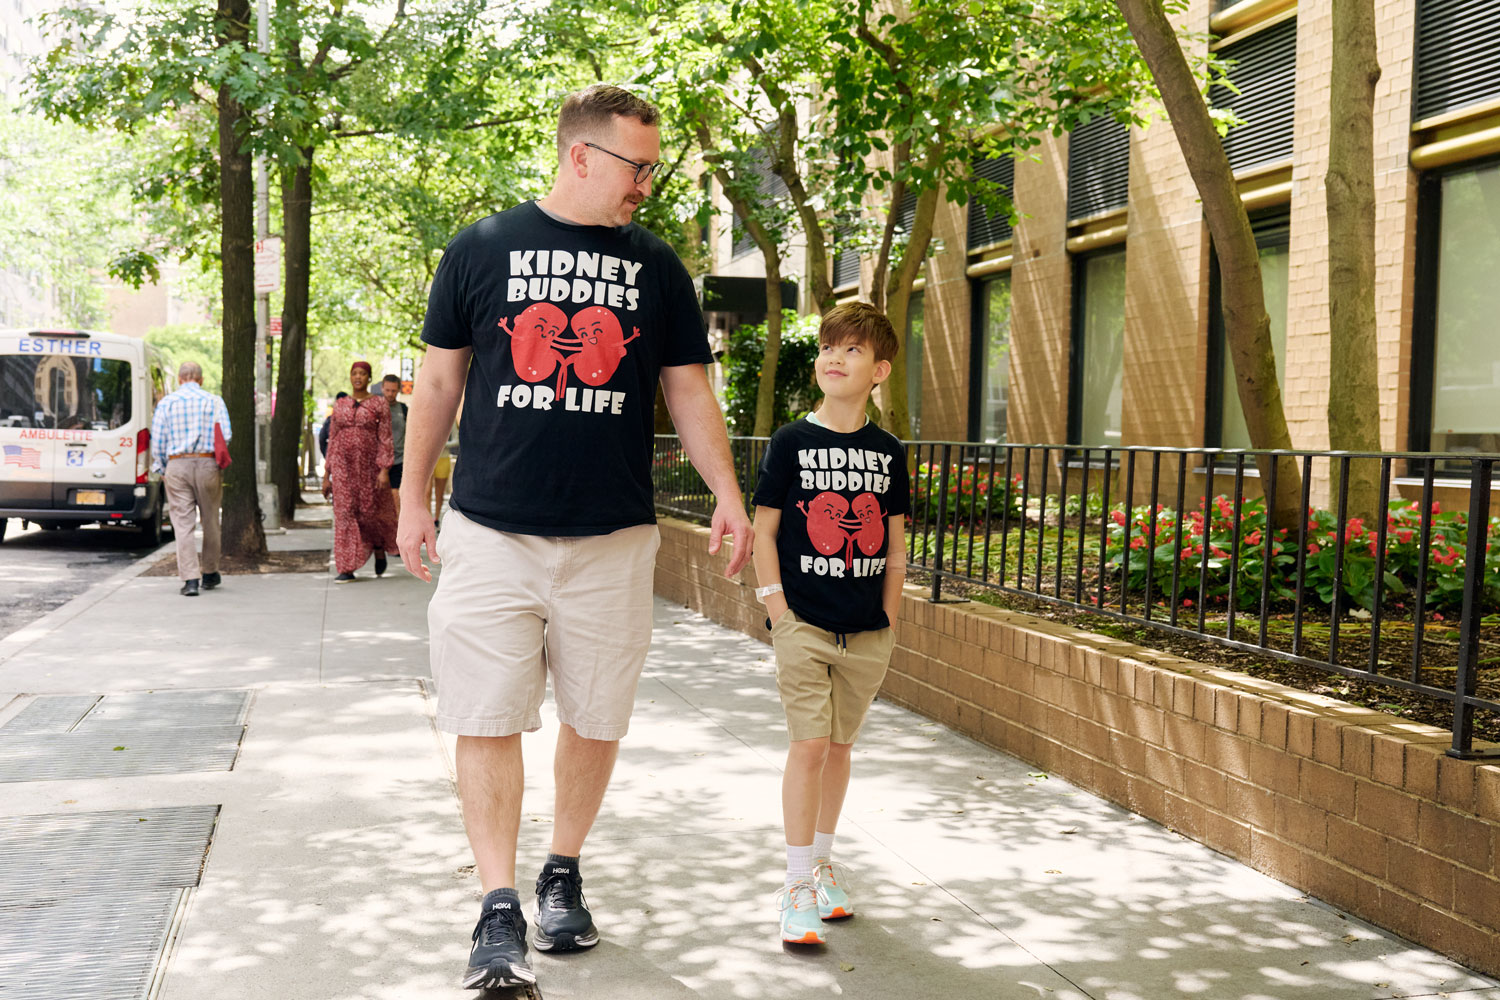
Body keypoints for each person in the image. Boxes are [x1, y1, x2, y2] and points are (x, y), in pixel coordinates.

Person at [395, 84, 753, 991]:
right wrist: (409, 500)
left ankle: (562, 872)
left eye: (654, 167)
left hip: (613, 538)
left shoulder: (658, 267)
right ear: (581, 155)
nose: (648, 184)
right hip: (489, 533)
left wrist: (728, 493)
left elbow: (687, 392)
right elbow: (437, 386)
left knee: (595, 717)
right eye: (638, 165)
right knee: (483, 716)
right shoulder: (481, 248)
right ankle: (498, 904)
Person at [749, 302, 909, 945]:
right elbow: (766, 530)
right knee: (809, 745)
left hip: (867, 629)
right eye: (827, 347)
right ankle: (794, 884)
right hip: (804, 624)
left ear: (880, 371)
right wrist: (778, 611)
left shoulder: (889, 452)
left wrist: (890, 618)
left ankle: (821, 864)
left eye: (851, 350)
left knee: (840, 748)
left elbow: (895, 545)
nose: (834, 358)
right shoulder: (791, 441)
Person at [149, 361, 231, 597]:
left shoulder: (167, 403)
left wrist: (163, 467)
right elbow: (226, 435)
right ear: (201, 379)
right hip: (207, 463)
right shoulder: (214, 401)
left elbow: (159, 440)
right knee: (211, 520)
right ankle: (210, 573)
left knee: (183, 525)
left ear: (179, 379)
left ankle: (190, 579)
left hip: (177, 463)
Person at [323, 362, 397, 583]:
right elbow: (332, 438)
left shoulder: (379, 404)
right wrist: (327, 474)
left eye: (362, 374)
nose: (358, 377)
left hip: (368, 467)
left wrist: (384, 469)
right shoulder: (340, 404)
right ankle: (346, 567)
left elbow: (385, 438)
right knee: (344, 513)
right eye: (354, 374)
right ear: (350, 377)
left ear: (368, 377)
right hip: (342, 466)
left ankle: (378, 547)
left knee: (368, 513)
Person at [381, 374, 408, 515]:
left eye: (393, 391)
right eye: (387, 390)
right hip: (379, 462)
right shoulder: (375, 408)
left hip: (399, 460)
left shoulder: (403, 409)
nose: (390, 394)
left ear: (398, 390)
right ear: (382, 388)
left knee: (396, 497)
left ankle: (397, 532)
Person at [429, 422, 457, 523]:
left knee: (439, 493)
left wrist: (441, 443)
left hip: (443, 459)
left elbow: (456, 440)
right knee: (426, 492)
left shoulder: (450, 419)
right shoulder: (425, 417)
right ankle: (428, 520)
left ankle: (436, 519)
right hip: (427, 459)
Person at [317, 391, 349, 462]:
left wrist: (327, 455)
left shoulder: (330, 420)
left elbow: (321, 438)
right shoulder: (354, 420)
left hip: (334, 459)